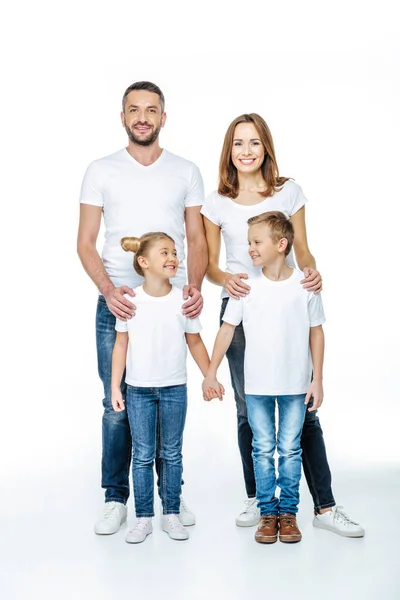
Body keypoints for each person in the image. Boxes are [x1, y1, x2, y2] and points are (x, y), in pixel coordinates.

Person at [201, 113, 364, 537]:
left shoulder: (289, 191)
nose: (246, 150)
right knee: (246, 409)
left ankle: (323, 507)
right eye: (238, 143)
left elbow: (303, 250)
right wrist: (229, 282)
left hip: (287, 301)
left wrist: (312, 274)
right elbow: (212, 268)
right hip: (241, 303)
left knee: (302, 406)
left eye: (254, 142)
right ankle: (261, 500)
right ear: (229, 150)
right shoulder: (217, 201)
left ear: (266, 148)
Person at [77, 81, 208, 535]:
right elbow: (85, 242)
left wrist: (192, 286)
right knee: (118, 405)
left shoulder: (185, 170)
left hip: (171, 304)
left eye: (151, 110)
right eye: (134, 110)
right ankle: (116, 498)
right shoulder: (100, 170)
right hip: (120, 304)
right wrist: (110, 290)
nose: (143, 117)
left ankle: (170, 496)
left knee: (165, 394)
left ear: (163, 118)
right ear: (123, 117)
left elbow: (196, 239)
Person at [203, 211, 325, 543]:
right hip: (256, 386)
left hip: (295, 385)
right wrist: (211, 372)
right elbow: (226, 331)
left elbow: (317, 333)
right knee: (262, 448)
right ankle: (267, 514)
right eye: (249, 243)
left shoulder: (305, 287)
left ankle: (288, 514)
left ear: (281, 244)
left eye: (256, 242)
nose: (251, 249)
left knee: (289, 450)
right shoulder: (245, 288)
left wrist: (318, 379)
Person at [111, 232, 223, 543]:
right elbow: (120, 345)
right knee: (143, 455)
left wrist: (209, 375)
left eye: (174, 252)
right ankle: (144, 517)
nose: (173, 257)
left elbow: (195, 341)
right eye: (164, 252)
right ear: (143, 262)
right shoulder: (130, 300)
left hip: (175, 389)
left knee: (172, 454)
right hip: (138, 391)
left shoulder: (183, 300)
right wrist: (114, 388)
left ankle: (171, 513)